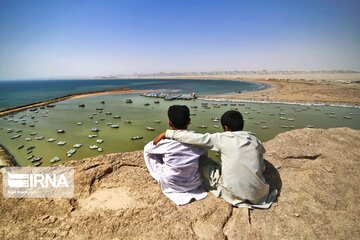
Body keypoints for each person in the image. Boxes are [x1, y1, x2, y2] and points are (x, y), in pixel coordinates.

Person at [153, 110, 277, 209]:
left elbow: (195, 138)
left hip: (233, 194)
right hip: (259, 194)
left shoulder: (222, 138)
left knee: (203, 163)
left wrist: (167, 134)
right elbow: (261, 166)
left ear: (226, 128)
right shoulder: (254, 140)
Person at [143, 105, 207, 205]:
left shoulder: (166, 143)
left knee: (149, 154)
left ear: (169, 123)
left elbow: (147, 148)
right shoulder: (197, 140)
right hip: (193, 184)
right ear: (189, 121)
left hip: (170, 184)